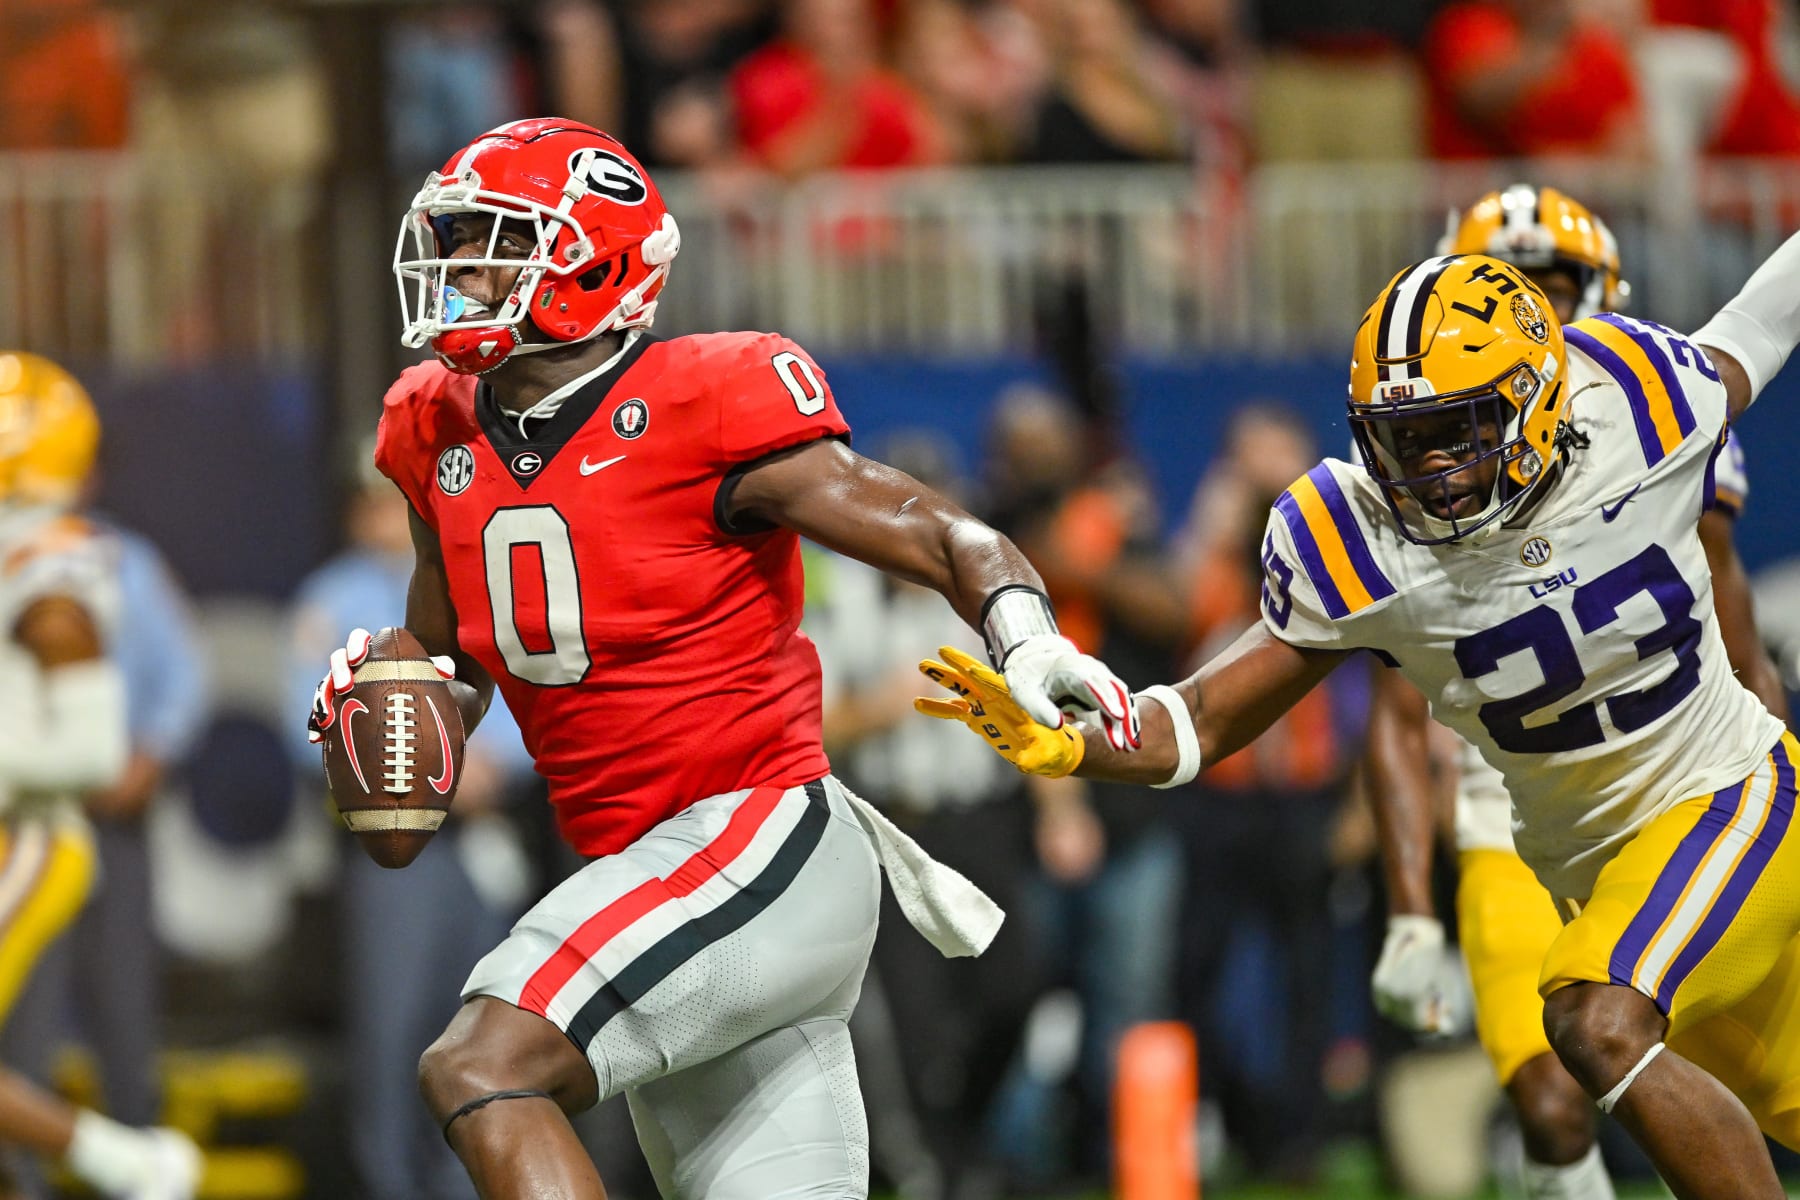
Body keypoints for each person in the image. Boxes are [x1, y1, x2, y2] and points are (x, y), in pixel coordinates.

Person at [303, 118, 1140, 1200]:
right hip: (646, 873)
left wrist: (1023, 632)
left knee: (481, 1063)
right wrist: (388, 713)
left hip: (759, 837)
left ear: (592, 264)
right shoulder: (432, 431)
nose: (465, 271)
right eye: (459, 242)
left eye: (498, 243)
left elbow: (939, 531)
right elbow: (451, 663)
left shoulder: (710, 397)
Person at [920, 227, 1800, 1197]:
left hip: (1730, 793)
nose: (1422, 467)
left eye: (1451, 431)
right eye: (1399, 436)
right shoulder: (1361, 543)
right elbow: (1205, 715)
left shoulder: (1637, 405)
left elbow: (1765, 312)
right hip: (1586, 866)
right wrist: (1081, 744)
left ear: (1538, 406)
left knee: (1595, 1020)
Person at [1362, 184, 1787, 1200]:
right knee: (1558, 1093)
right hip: (1508, 829)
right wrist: (1411, 909)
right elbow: (1387, 711)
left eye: (1557, 289)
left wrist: (1773, 760)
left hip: (1685, 800)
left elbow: (1729, 617)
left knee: (1649, 1050)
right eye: (1523, 290)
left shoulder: (1651, 408)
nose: (1545, 313)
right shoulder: (1406, 486)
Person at [287, 449, 539, 1200]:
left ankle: (464, 1187)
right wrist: (430, 773)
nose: (383, 516)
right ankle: (390, 1184)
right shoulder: (334, 598)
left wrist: (488, 768)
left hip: (481, 841)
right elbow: (304, 722)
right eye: (372, 501)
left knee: (484, 1027)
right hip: (393, 848)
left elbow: (528, 703)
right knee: (392, 1033)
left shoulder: (477, 587)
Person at [0, 352, 201, 1199]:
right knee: (22, 1043)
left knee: (113, 1024)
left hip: (43, 834)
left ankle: (130, 1163)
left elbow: (93, 742)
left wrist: (139, 761)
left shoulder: (62, 574)